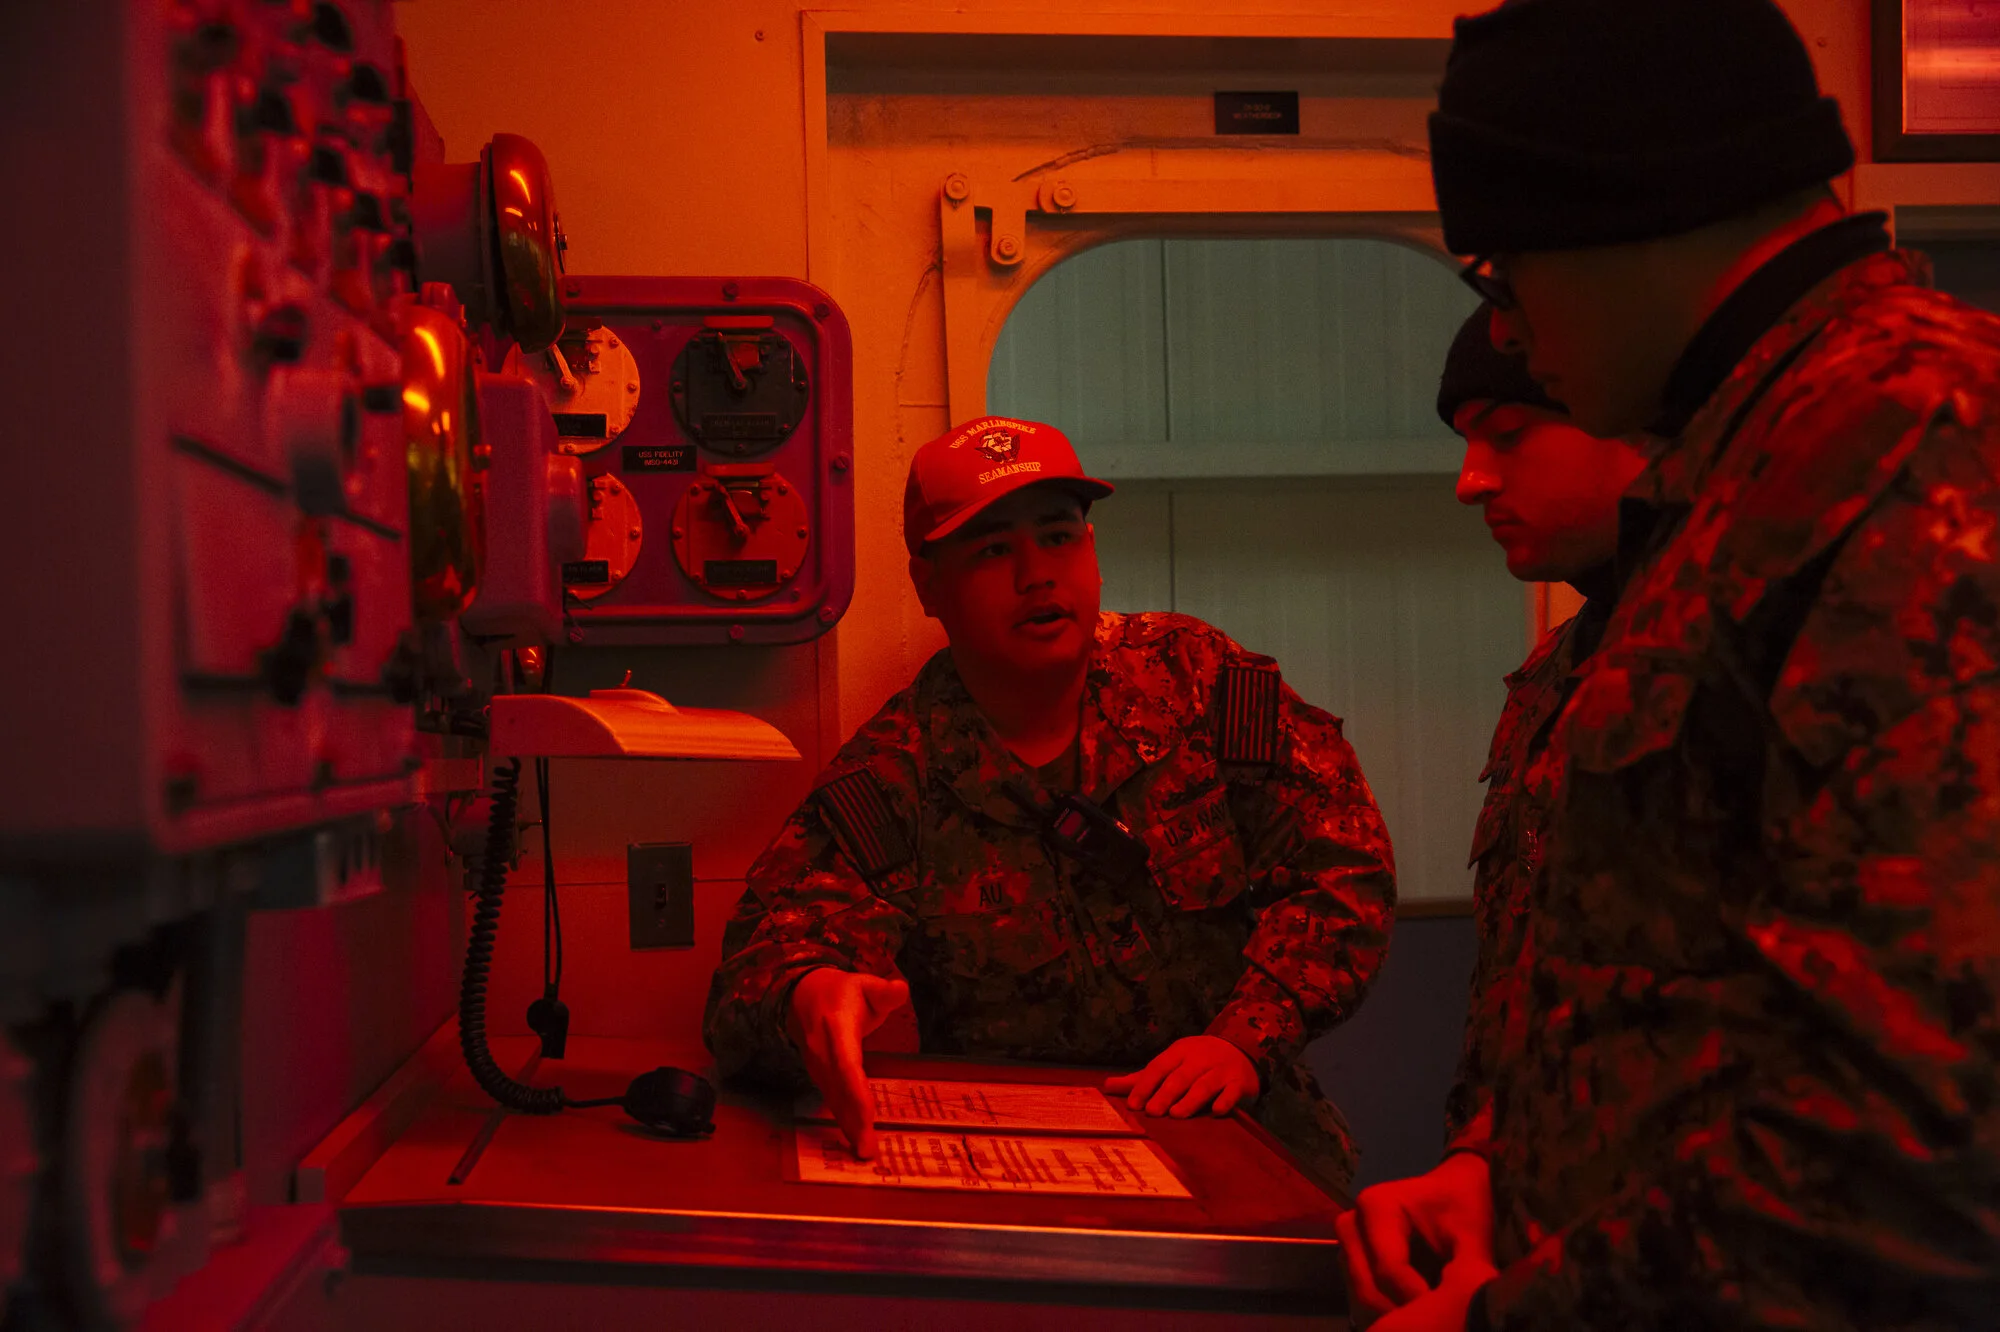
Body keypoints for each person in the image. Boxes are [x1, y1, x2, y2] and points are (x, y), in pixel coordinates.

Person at [1365, 0, 2000, 1326]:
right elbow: (1695, 997)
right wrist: (1504, 1171)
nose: (1512, 331)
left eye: (1504, 274)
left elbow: (1921, 1141)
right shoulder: (1756, 465)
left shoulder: (1908, 446)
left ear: (1623, 221)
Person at [703, 415, 1396, 1192]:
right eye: (993, 550)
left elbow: (1344, 867)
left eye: (1059, 537)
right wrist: (805, 995)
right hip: (1027, 1167)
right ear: (929, 586)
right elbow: (754, 978)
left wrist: (1244, 1036)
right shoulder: (897, 776)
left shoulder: (1198, 682)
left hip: (1244, 1135)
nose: (1037, 574)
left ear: (1091, 551)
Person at [1336, 307, 1649, 1323]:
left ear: (1632, 421)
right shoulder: (1561, 674)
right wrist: (1481, 1162)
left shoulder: (1730, 672)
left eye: (1507, 435)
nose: (1471, 481)